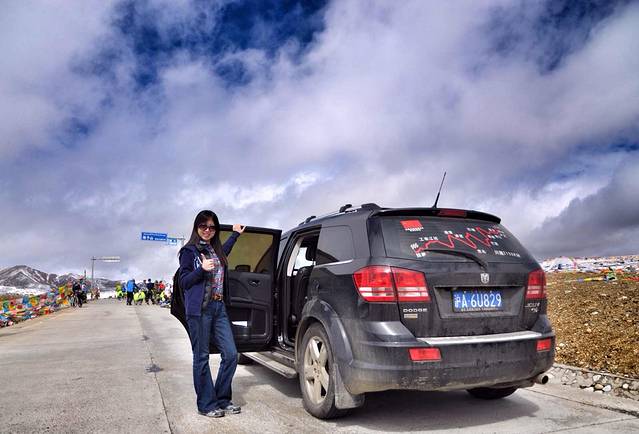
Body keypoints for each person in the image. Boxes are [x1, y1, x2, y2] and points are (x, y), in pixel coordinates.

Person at [178, 210, 245, 418]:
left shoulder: (216, 251)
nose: (207, 230)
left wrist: (235, 234)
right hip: (199, 310)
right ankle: (206, 404)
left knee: (231, 354)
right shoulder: (188, 252)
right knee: (201, 357)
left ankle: (222, 399)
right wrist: (201, 270)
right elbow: (184, 281)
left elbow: (226, 249)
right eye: (203, 226)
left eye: (212, 227)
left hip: (218, 307)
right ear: (196, 227)